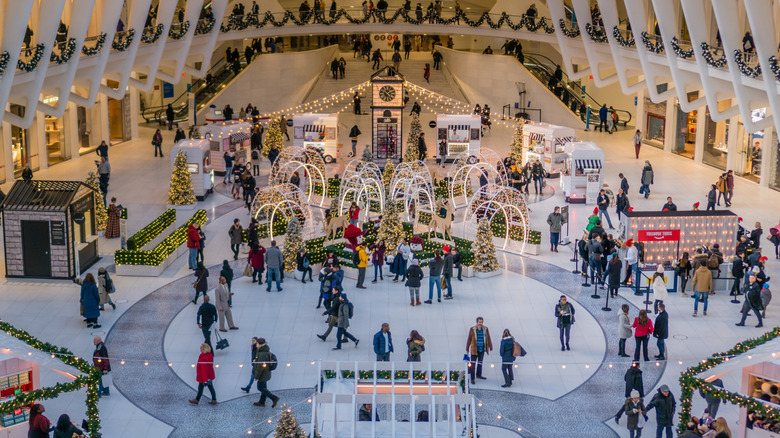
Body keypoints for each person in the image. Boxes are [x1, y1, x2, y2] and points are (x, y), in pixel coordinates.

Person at [466, 317, 492, 384]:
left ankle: (478, 375)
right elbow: (469, 338)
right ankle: (472, 378)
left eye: (481, 322)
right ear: (477, 322)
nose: (480, 323)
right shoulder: (472, 329)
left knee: (480, 363)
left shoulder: (485, 329)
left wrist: (490, 346)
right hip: (474, 349)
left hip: (482, 349)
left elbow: (488, 337)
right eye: (479, 322)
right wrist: (467, 348)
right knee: (473, 364)